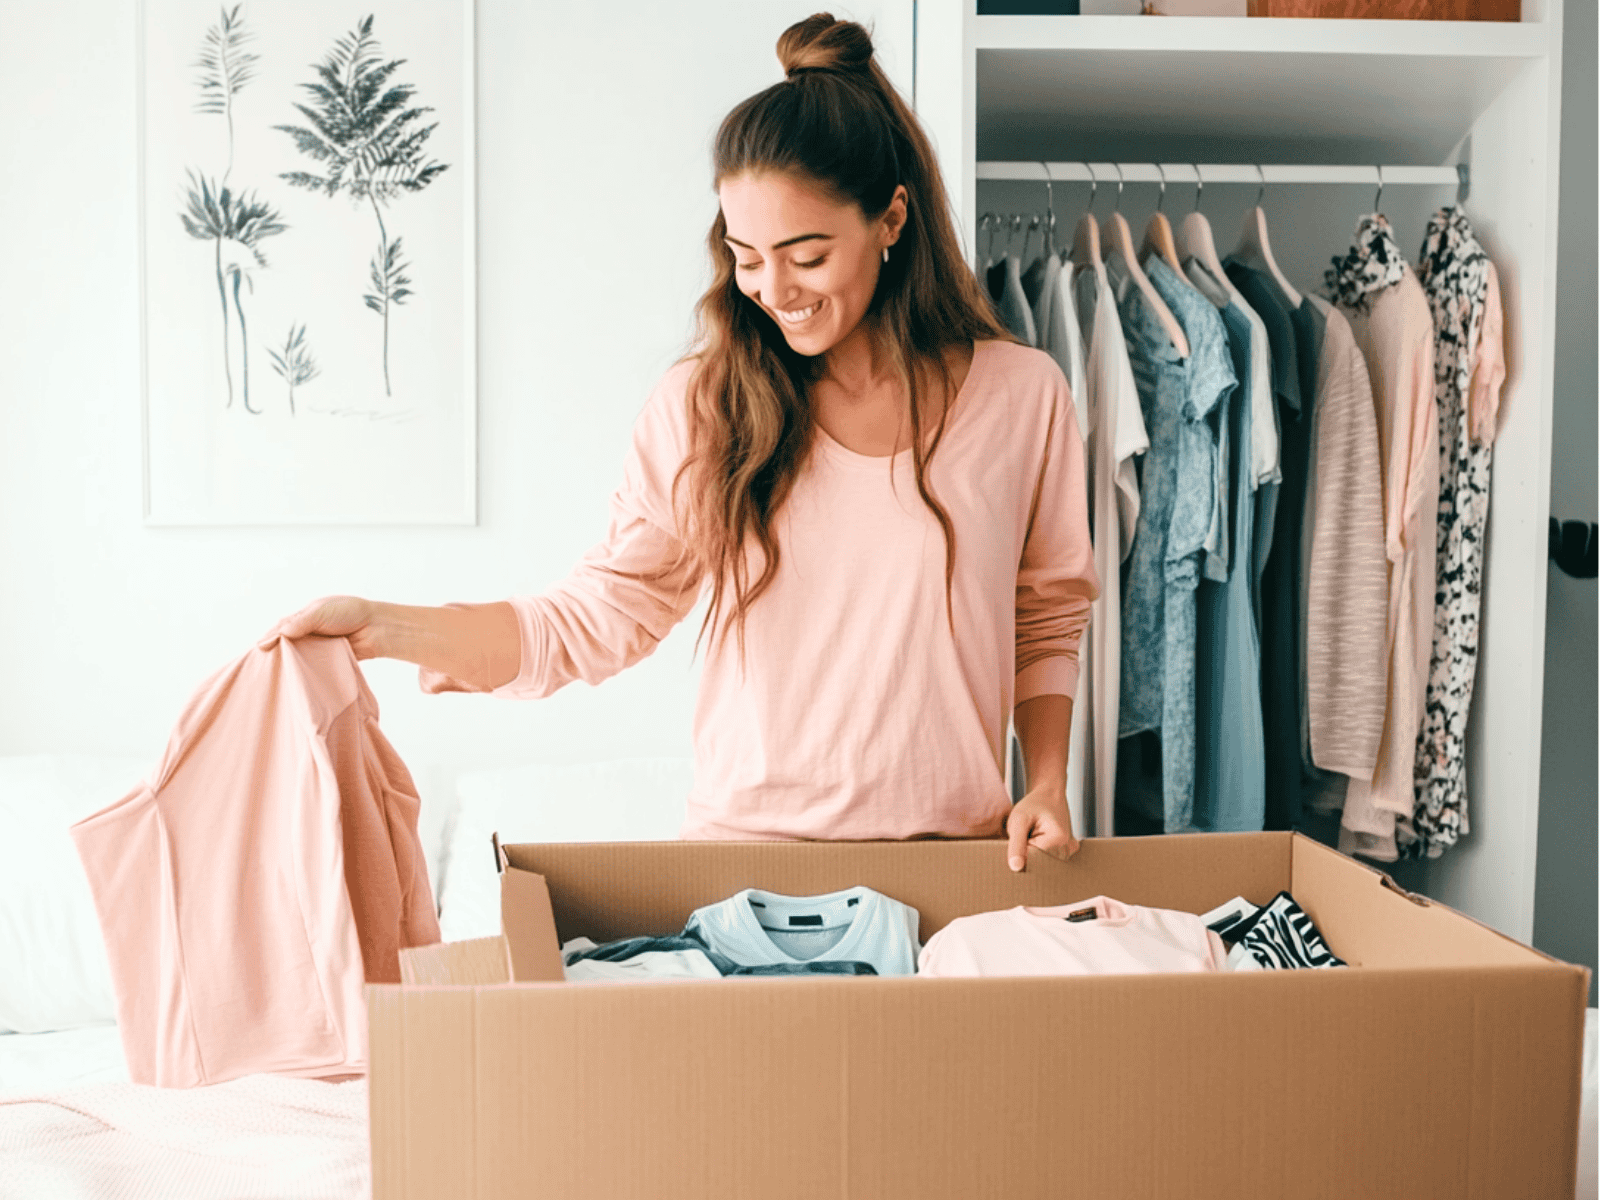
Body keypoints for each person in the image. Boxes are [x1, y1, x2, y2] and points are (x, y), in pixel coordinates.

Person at [256, 13, 1099, 873]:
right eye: (748, 256)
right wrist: (386, 628)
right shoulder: (707, 407)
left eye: (806, 255)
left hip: (955, 866)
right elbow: (597, 616)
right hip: (748, 877)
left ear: (891, 220)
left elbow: (1046, 617)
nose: (775, 288)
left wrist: (1048, 781)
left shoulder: (1021, 396)